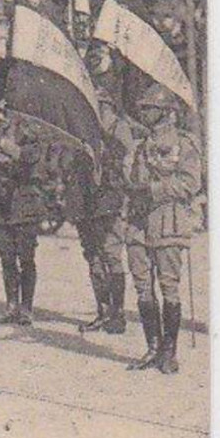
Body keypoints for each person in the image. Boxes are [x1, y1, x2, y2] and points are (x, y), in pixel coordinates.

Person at [123, 89, 202, 374]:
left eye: (149, 108)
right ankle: (152, 347)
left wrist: (154, 188)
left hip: (168, 223)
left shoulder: (184, 143)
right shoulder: (139, 144)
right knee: (143, 286)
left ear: (165, 111)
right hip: (138, 224)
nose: (143, 113)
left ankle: (169, 351)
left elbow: (190, 183)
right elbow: (128, 178)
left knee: (169, 287)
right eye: (142, 108)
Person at [65, 94, 130, 335]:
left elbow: (125, 156)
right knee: (93, 256)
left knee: (111, 255)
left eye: (98, 105)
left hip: (109, 201)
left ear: (108, 106)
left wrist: (103, 138)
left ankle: (118, 313)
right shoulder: (81, 130)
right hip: (86, 202)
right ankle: (102, 311)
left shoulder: (119, 128)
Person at [0, 110, 47, 327]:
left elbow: (29, 156)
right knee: (6, 258)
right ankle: (11, 306)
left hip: (24, 204)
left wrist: (0, 141)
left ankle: (26, 308)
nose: (1, 115)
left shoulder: (30, 129)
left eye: (5, 111)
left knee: (26, 258)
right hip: (1, 205)